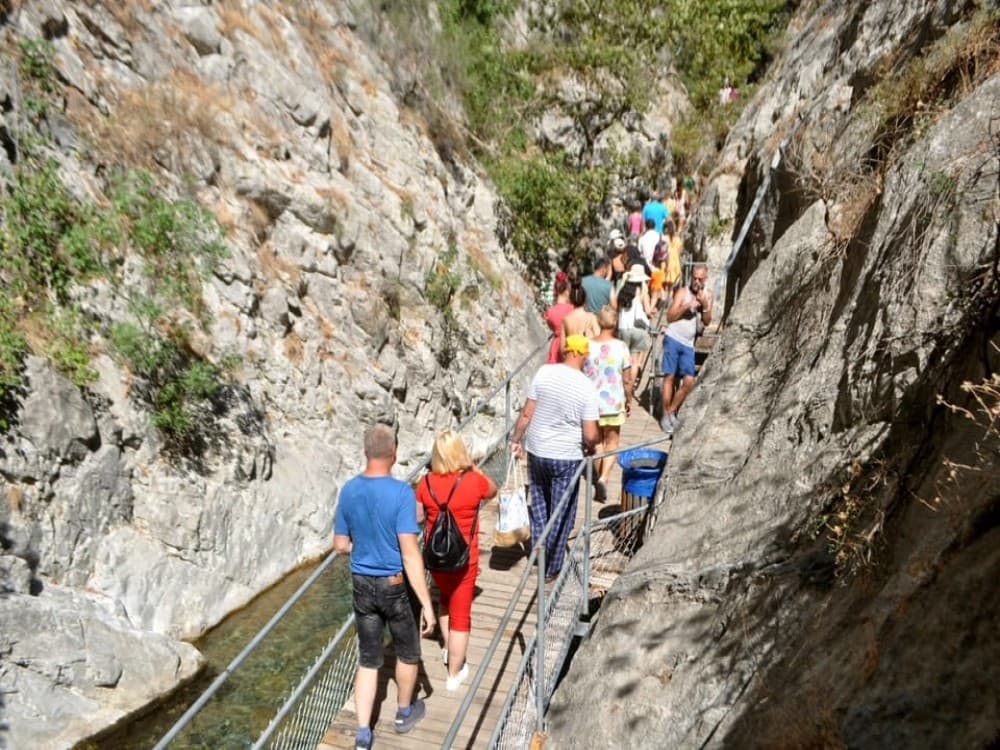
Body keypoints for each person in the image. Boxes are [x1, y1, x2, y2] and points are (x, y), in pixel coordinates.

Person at [334, 425, 436, 750]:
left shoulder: (348, 490)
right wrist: (428, 606)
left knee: (368, 658)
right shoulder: (402, 494)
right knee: (407, 651)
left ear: (365, 452)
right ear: (394, 454)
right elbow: (409, 553)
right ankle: (404, 712)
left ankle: (364, 733)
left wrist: (363, 545)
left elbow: (339, 544)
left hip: (361, 584)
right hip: (393, 585)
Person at [510, 335, 599, 582]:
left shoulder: (544, 373)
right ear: (582, 355)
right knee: (562, 511)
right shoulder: (586, 387)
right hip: (566, 457)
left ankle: (540, 552)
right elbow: (591, 435)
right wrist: (593, 448)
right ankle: (552, 568)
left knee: (539, 506)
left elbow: (527, 413)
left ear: (565, 351)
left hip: (537, 451)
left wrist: (515, 440)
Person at [415, 430, 498, 692]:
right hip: (465, 559)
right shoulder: (473, 480)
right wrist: (474, 467)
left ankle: (447, 649)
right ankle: (454, 672)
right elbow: (493, 490)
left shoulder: (425, 482)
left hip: (436, 558)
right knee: (461, 614)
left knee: (445, 602)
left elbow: (417, 517)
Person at [583, 306, 633, 502]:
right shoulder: (621, 347)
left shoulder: (587, 345)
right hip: (613, 403)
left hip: (591, 403)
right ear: (615, 322)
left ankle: (597, 478)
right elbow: (628, 380)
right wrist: (629, 400)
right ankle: (604, 478)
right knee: (612, 442)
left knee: (596, 444)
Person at [660, 263, 713, 434]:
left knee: (689, 381)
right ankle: (665, 414)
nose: (696, 281)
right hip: (673, 337)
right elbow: (669, 317)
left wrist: (704, 305)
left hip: (688, 343)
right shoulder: (683, 292)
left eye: (700, 278)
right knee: (669, 376)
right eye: (694, 278)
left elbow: (707, 321)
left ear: (706, 278)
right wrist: (686, 306)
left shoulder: (708, 295)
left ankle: (670, 411)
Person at [616, 264, 654, 375]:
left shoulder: (622, 292)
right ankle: (631, 387)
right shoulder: (642, 291)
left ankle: (623, 383)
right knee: (634, 361)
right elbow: (647, 310)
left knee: (623, 359)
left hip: (623, 327)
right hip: (637, 328)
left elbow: (617, 309)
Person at [544, 271, 573, 363]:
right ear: (566, 291)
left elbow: (551, 327)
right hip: (569, 344)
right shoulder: (572, 309)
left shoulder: (550, 312)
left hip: (555, 345)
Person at [561, 284, 599, 351]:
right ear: (585, 299)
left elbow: (562, 348)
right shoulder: (591, 317)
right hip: (587, 354)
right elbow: (598, 337)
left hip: (572, 356)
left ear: (571, 299)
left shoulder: (566, 319)